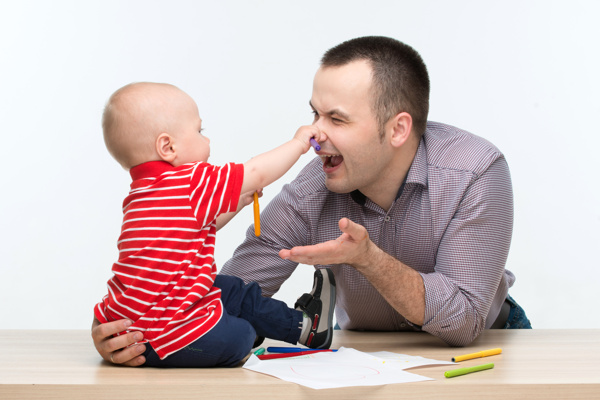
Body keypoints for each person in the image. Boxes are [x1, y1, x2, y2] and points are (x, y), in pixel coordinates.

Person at [93, 36, 531, 366]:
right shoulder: (311, 187)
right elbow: (223, 295)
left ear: (398, 129)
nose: (316, 134)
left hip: (484, 349)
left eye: (336, 118)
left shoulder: (476, 170)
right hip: (370, 354)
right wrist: (132, 328)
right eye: (314, 114)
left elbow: (464, 320)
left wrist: (369, 259)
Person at [93, 82, 336, 367]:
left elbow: (195, 229)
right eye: (199, 131)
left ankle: (305, 328)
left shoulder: (141, 195)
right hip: (168, 338)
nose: (206, 141)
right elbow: (256, 172)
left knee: (229, 289)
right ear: (168, 146)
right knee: (242, 335)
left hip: (131, 328)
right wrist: (298, 144)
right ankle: (299, 326)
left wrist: (239, 201)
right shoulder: (190, 180)